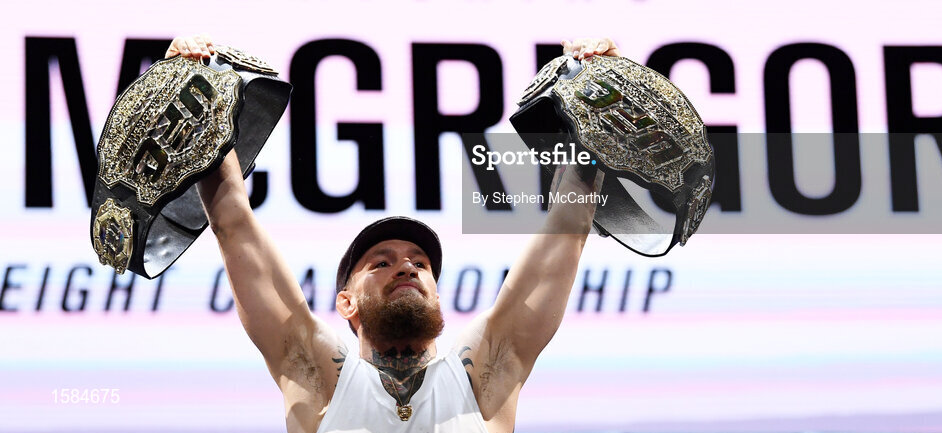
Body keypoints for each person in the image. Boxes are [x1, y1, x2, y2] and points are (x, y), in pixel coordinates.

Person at [169, 35, 619, 433]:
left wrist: (599, 99)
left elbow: (568, 228)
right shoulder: (315, 376)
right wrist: (195, 99)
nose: (405, 265)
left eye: (419, 264)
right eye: (381, 262)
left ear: (437, 295)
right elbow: (232, 225)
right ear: (345, 302)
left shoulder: (485, 374)